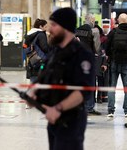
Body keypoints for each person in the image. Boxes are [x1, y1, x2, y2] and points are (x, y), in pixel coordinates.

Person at [27, 8, 95, 150]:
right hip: (53, 119)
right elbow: (44, 75)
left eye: (54, 25)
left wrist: (58, 108)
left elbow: (84, 91)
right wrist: (34, 92)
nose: (50, 29)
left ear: (65, 27)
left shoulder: (82, 54)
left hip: (71, 120)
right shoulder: (55, 51)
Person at [105, 13, 127, 118]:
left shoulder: (113, 32)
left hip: (114, 63)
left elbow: (106, 46)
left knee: (112, 87)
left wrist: (110, 56)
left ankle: (111, 110)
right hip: (126, 63)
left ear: (118, 21)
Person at [76, 13, 101, 115]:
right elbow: (97, 47)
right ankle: (89, 107)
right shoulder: (94, 31)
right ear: (91, 20)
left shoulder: (77, 30)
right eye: (94, 20)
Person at [23, 19, 50, 83]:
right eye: (45, 27)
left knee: (33, 79)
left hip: (32, 59)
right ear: (40, 26)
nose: (46, 28)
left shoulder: (30, 34)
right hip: (40, 59)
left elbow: (25, 46)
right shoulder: (41, 34)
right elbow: (45, 48)